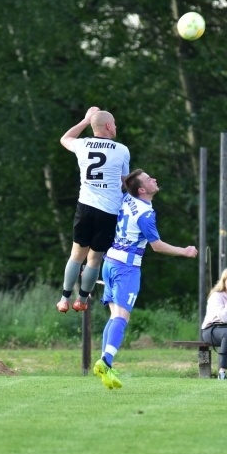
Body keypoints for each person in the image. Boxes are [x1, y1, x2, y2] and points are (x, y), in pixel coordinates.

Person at [93, 169, 198, 389]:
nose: (155, 179)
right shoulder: (145, 214)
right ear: (142, 189)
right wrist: (184, 251)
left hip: (109, 262)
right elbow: (157, 246)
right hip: (126, 267)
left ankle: (105, 365)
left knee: (114, 316)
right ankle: (105, 361)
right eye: (150, 179)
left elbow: (123, 181)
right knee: (121, 317)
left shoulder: (126, 197)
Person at [57, 106, 131, 313]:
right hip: (108, 212)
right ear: (108, 126)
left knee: (76, 256)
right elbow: (124, 181)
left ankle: (64, 299)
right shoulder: (122, 150)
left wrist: (85, 120)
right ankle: (81, 300)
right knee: (94, 259)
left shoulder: (82, 144)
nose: (115, 127)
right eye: (114, 123)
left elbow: (65, 138)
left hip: (85, 208)